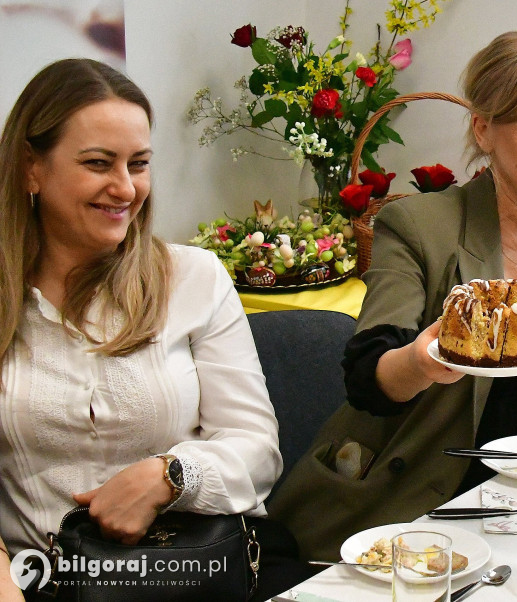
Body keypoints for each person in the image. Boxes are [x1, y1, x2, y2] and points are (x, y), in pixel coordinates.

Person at [270, 31, 517, 559]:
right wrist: (426, 360)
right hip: (423, 498)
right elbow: (368, 377)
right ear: (485, 130)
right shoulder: (418, 226)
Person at [0, 58, 302, 597]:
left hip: (192, 575)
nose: (125, 188)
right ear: (31, 166)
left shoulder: (193, 277)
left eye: (138, 164)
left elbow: (257, 451)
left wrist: (169, 477)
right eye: (98, 163)